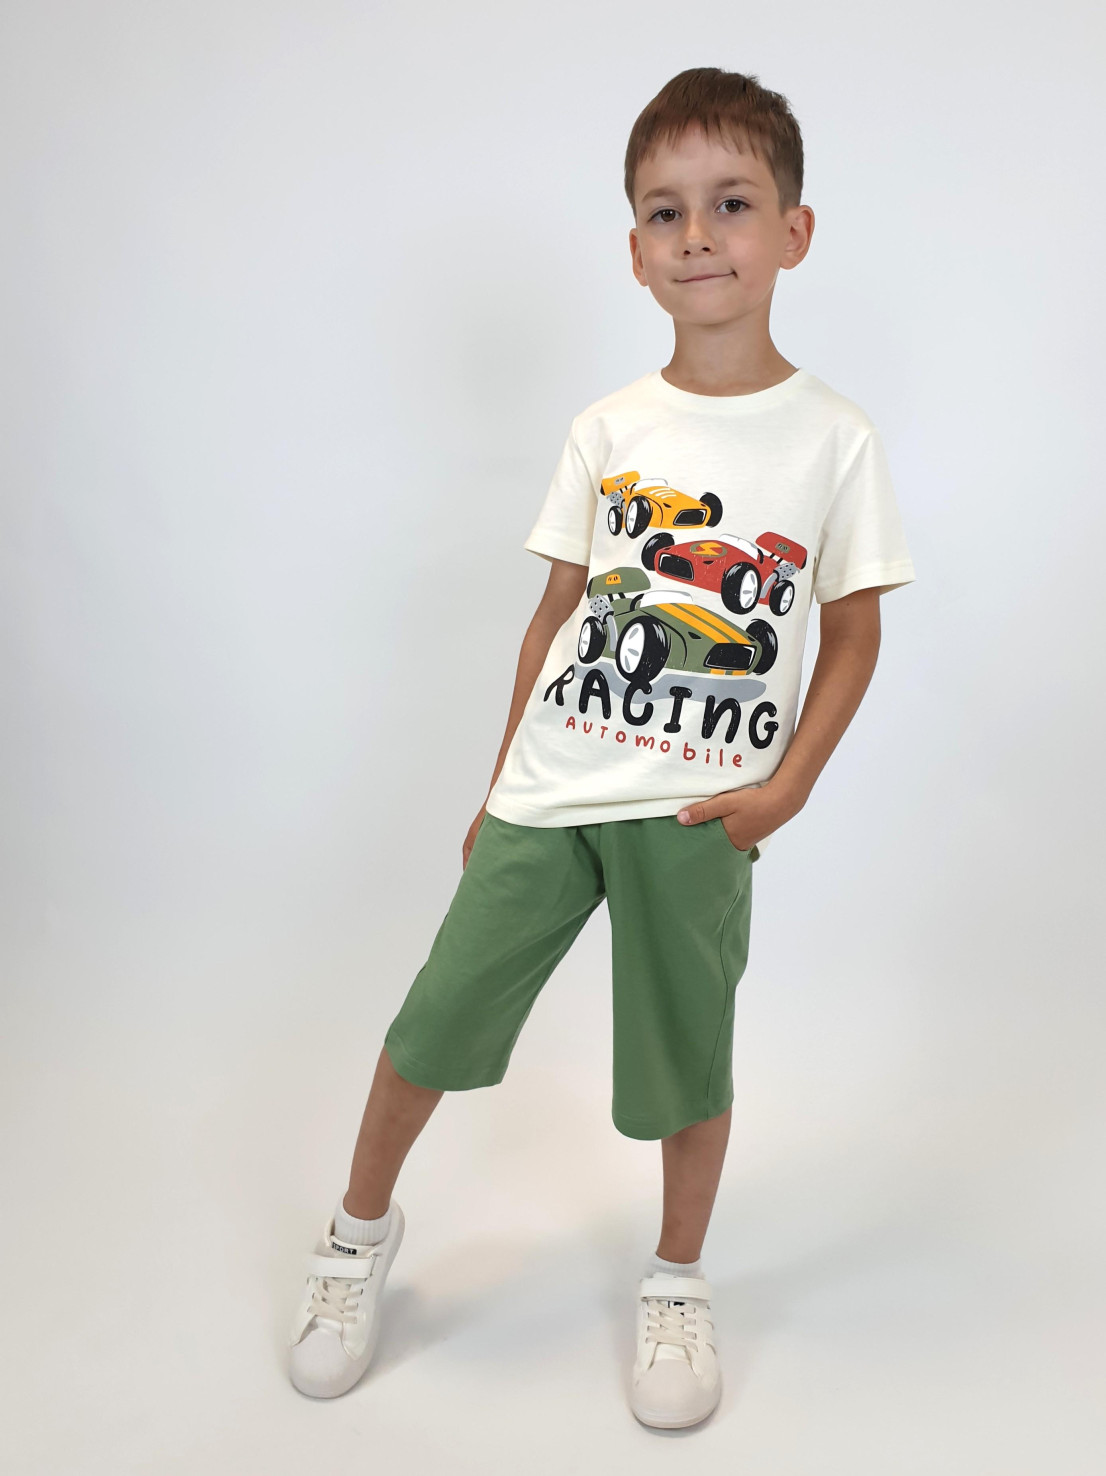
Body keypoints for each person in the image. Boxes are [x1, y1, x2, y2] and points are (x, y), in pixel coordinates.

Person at [286, 65, 916, 1430]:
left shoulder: (834, 440)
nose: (699, 235)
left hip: (698, 812)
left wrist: (785, 789)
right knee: (434, 1021)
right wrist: (496, 783)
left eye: (731, 203)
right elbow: (557, 615)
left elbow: (854, 635)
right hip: (551, 790)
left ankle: (676, 1279)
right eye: (665, 212)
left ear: (793, 231)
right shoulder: (607, 428)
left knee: (687, 1058)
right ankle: (355, 1235)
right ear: (634, 252)